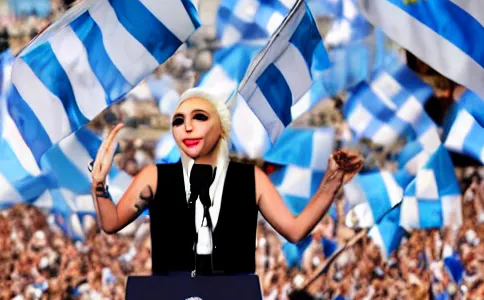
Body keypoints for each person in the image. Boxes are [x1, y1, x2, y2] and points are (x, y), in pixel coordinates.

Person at [90, 88, 363, 277]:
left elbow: (295, 230)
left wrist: (331, 183)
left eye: (199, 117)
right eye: (178, 120)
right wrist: (99, 185)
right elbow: (111, 223)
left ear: (220, 128)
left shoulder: (250, 179)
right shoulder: (154, 178)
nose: (187, 127)